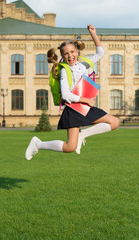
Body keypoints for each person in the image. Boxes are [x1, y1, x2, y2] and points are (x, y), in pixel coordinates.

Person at [25, 25, 120, 160]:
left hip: (85, 107)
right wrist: (86, 100)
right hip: (74, 109)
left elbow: (100, 53)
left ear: (77, 52)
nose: (70, 56)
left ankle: (83, 135)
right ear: (62, 56)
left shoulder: (83, 65)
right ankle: (38, 144)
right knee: (70, 147)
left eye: (72, 52)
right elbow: (66, 95)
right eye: (66, 53)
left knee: (115, 122)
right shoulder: (64, 70)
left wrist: (93, 34)